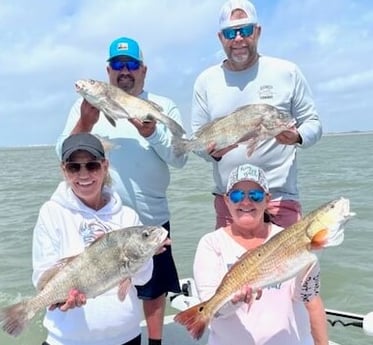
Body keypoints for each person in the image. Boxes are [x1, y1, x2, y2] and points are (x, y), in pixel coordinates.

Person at [56, 37, 187, 345]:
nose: (124, 71)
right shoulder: (84, 106)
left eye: (131, 65)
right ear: (108, 71)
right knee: (99, 284)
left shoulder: (163, 106)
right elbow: (61, 154)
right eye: (117, 65)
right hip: (101, 220)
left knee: (154, 287)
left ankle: (154, 342)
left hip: (151, 218)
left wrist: (154, 133)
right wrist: (85, 123)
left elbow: (179, 158)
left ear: (143, 69)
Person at [191, 0, 322, 229]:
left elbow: (313, 123)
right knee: (233, 267)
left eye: (246, 30)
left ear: (258, 32)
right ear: (221, 38)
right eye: (230, 32)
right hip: (230, 201)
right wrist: (212, 153)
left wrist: (298, 136)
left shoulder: (287, 72)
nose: (238, 38)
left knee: (291, 265)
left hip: (280, 199)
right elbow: (198, 141)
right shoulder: (205, 81)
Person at [32, 133, 154, 345]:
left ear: (105, 166)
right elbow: (42, 276)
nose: (84, 174)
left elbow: (143, 279)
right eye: (74, 167)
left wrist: (145, 255)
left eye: (92, 166)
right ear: (64, 170)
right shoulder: (51, 212)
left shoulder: (127, 216)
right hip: (67, 340)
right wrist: (59, 298)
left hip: (126, 337)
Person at [193, 163, 329, 345]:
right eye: (237, 195)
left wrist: (313, 259)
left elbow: (307, 297)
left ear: (267, 200)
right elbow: (214, 309)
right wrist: (235, 301)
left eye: (255, 196)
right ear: (226, 201)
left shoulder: (288, 238)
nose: (246, 202)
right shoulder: (211, 244)